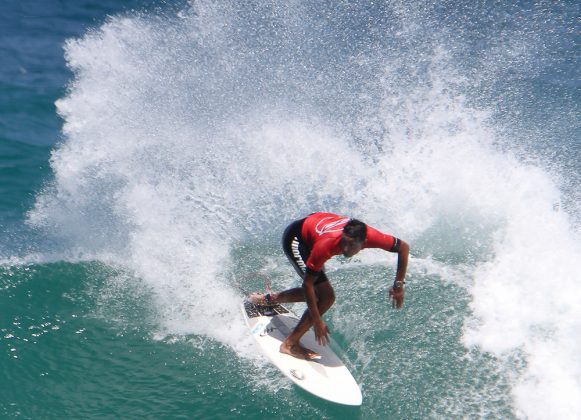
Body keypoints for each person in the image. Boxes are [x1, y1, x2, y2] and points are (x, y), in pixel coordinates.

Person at [249, 212, 409, 360]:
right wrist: (317, 321)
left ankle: (269, 299)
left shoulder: (374, 237)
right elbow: (307, 285)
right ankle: (289, 345)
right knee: (325, 297)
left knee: (320, 294)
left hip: (313, 230)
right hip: (297, 239)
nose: (345, 249)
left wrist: (399, 285)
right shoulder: (328, 244)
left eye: (351, 246)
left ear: (364, 243)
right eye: (344, 243)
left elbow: (403, 248)